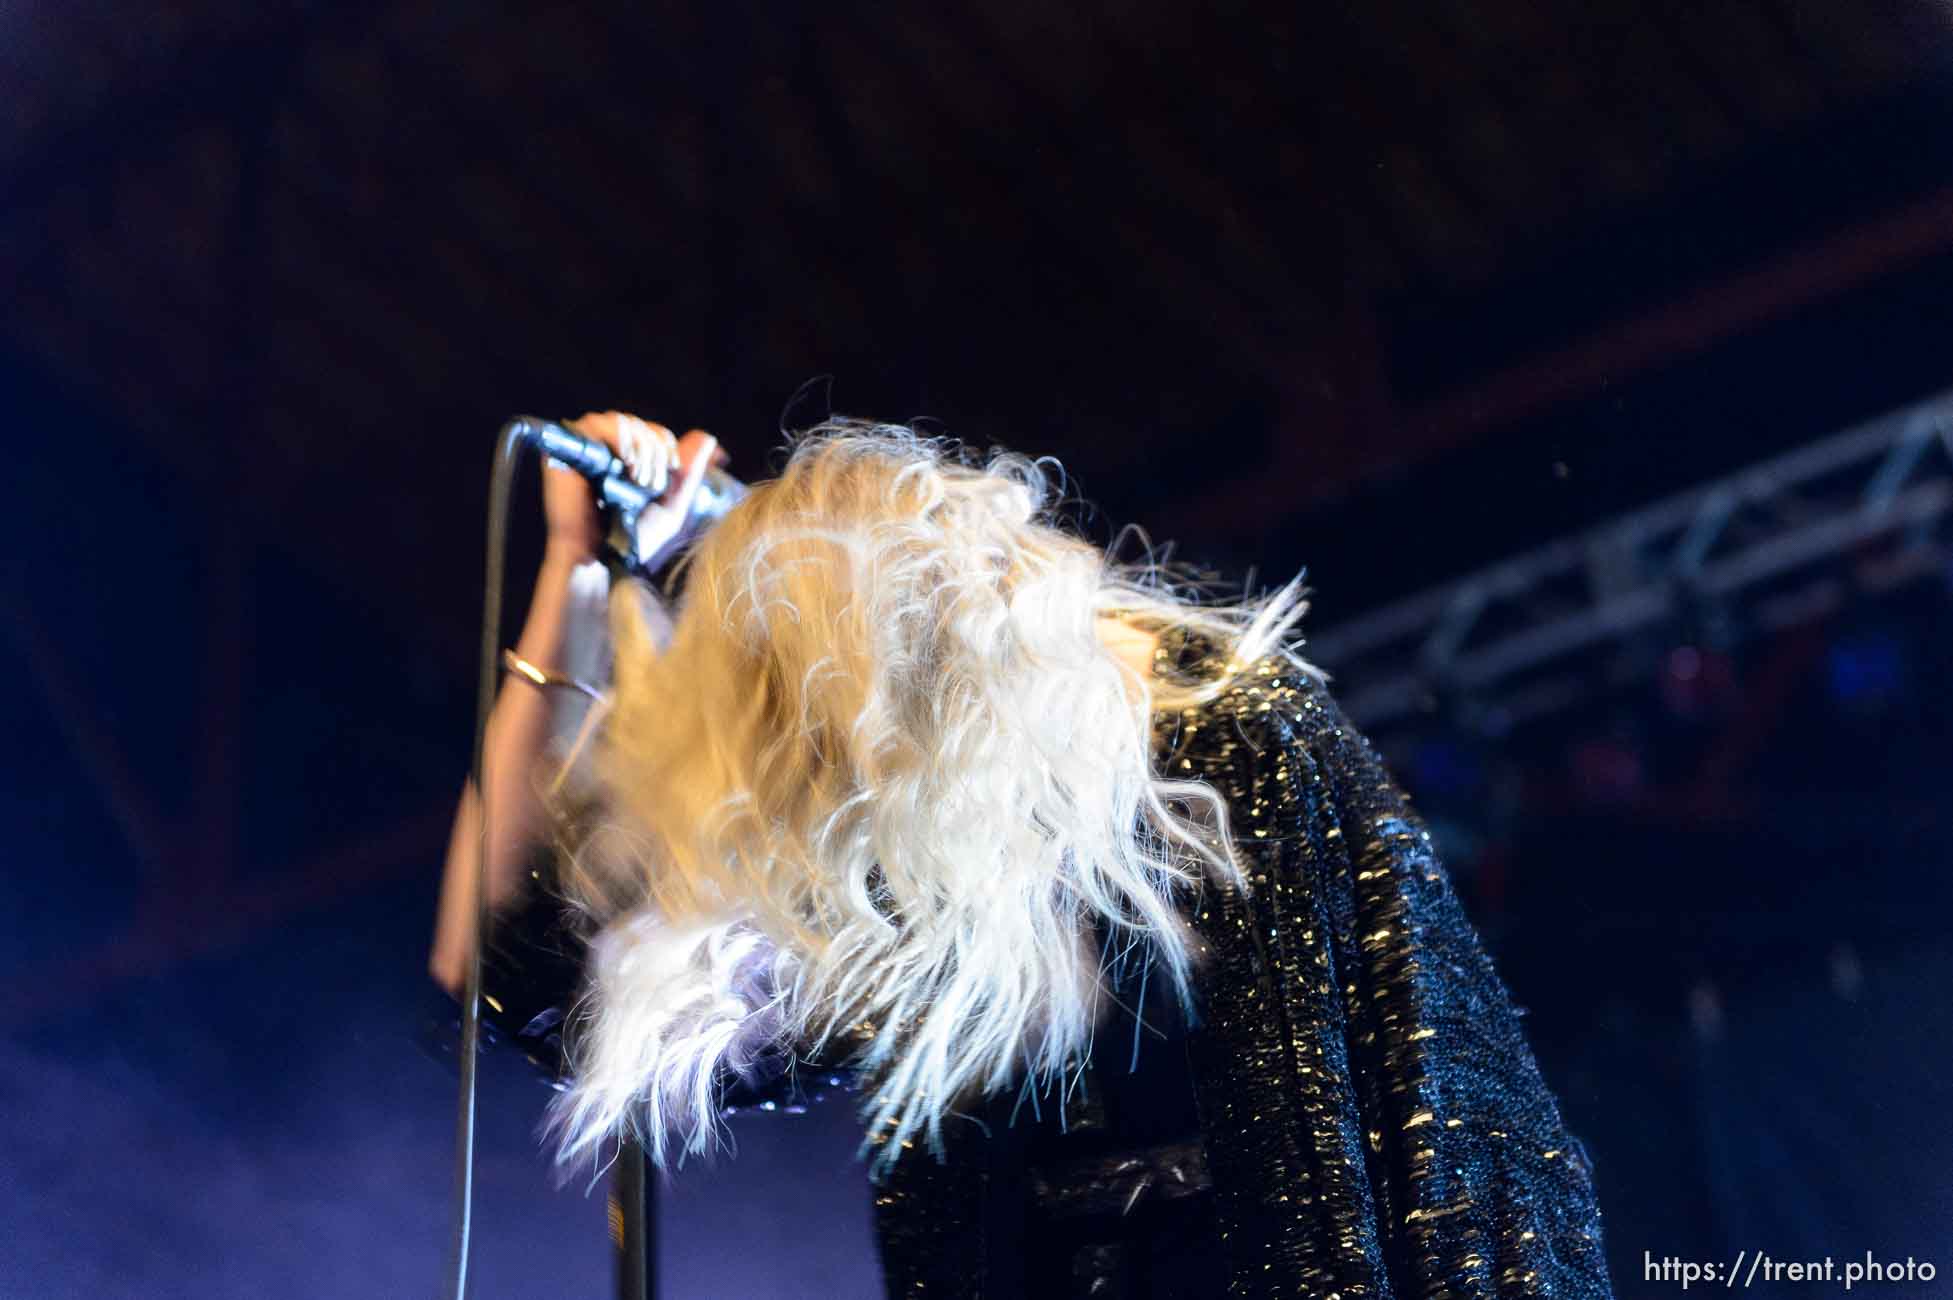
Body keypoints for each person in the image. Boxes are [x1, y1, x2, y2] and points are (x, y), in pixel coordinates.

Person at [430, 410, 1616, 1298]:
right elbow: (503, 978)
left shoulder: (1221, 741)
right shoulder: (894, 886)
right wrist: (575, 581)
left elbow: (1447, 1137)